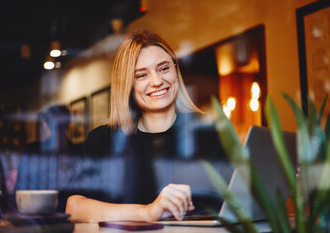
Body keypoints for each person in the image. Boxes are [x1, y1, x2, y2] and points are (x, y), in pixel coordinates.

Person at [65, 30, 232, 223]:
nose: (157, 81)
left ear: (176, 71)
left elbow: (242, 200)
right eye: (142, 75)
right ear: (128, 86)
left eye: (163, 68)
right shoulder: (104, 140)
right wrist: (147, 212)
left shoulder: (211, 131)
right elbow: (74, 207)